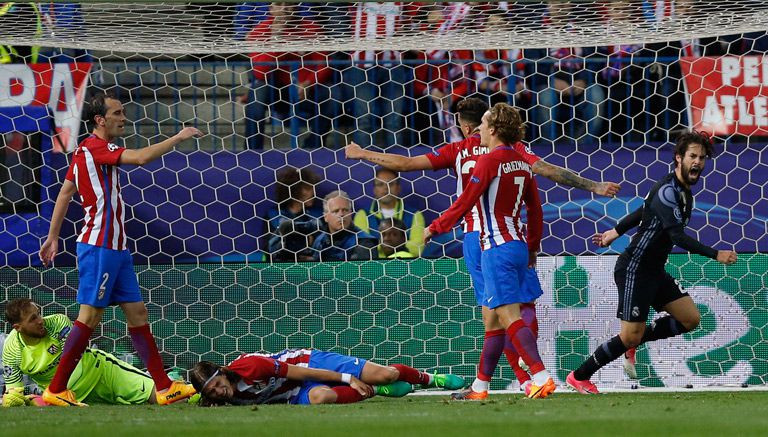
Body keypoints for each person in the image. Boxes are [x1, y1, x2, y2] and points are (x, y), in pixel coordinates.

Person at [345, 97, 620, 400]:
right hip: (517, 237)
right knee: (520, 308)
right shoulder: (519, 153)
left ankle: (531, 377)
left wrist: (362, 153)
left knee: (499, 313)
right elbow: (544, 182)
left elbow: (407, 165)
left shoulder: (464, 151)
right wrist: (591, 188)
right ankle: (486, 385)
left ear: (467, 126)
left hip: (482, 240)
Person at [37, 92, 201, 407]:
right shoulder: (96, 147)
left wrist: (53, 236)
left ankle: (165, 386)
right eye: (117, 113)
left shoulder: (84, 152)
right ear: (100, 119)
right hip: (99, 246)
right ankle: (56, 389)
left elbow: (65, 192)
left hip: (117, 248)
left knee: (138, 313)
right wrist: (178, 137)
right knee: (90, 316)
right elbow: (139, 158)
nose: (123, 118)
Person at [566, 131, 738, 394]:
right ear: (679, 158)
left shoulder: (680, 190)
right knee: (628, 337)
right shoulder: (668, 191)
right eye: (692, 156)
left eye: (702, 158)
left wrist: (615, 231)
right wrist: (716, 254)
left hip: (654, 269)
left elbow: (643, 210)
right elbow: (677, 236)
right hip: (635, 268)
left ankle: (635, 340)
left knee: (690, 319)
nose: (698, 162)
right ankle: (579, 376)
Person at [424, 102, 554, 399]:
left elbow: (465, 201)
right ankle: (480, 387)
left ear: (493, 130)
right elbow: (535, 211)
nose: (478, 130)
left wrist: (436, 227)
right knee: (495, 319)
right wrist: (532, 247)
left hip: (494, 246)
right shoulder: (522, 162)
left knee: (508, 316)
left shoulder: (489, 161)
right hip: (518, 244)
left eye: (483, 125)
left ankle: (540, 375)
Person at [2, 299, 159, 406]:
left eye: (39, 313)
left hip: (103, 373)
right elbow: (14, 391)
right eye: (33, 319)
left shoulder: (58, 323)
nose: (40, 320)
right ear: (18, 327)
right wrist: (13, 398)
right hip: (67, 397)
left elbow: (74, 356)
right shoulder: (11, 351)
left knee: (164, 396)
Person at [189, 348, 465, 406]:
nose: (218, 391)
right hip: (293, 393)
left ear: (222, 372)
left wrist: (346, 378)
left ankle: (430, 379)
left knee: (386, 374)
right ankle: (376, 391)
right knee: (320, 397)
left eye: (217, 384)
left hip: (309, 363)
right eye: (211, 392)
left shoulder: (250, 367)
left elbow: (302, 371)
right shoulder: (219, 400)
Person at [240, 2, 332, 149]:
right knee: (257, 92)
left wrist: (308, 83)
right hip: (275, 90)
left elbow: (324, 65)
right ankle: (252, 150)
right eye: (278, 4)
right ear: (270, 8)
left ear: (296, 7)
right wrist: (275, 38)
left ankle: (313, 146)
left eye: (289, 4)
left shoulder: (312, 28)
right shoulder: (260, 31)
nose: (284, 9)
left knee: (332, 95)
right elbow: (261, 72)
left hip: (305, 89)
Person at [353, 168, 425, 258]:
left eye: (390, 184)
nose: (385, 188)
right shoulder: (363, 215)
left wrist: (384, 249)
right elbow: (363, 248)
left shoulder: (414, 214)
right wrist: (397, 247)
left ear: (398, 188)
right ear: (374, 190)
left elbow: (418, 246)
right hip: (374, 268)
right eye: (380, 184)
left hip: (405, 266)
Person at [264, 166, 323, 262]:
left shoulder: (316, 215)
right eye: (308, 188)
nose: (313, 192)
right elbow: (269, 248)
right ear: (293, 190)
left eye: (313, 188)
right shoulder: (274, 215)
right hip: (281, 267)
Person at [310, 190, 378, 261]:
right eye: (336, 211)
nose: (341, 214)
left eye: (345, 210)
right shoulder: (319, 240)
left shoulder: (364, 242)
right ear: (325, 217)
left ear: (351, 213)